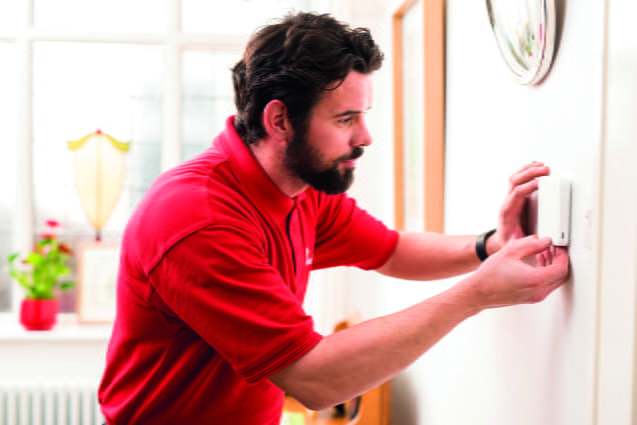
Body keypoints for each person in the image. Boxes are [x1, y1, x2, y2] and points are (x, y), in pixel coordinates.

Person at [98, 11, 569, 425]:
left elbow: (391, 250)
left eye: (363, 115)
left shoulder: (300, 186)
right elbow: (315, 379)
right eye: (345, 119)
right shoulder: (199, 219)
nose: (365, 137)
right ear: (279, 120)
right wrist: (479, 293)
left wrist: (491, 245)